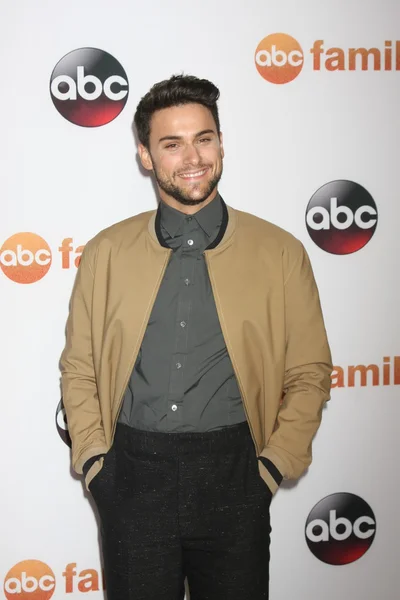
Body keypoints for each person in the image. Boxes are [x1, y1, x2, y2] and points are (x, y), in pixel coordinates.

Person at [60, 74, 332, 600]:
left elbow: (309, 373)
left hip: (236, 475)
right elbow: (80, 370)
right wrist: (96, 464)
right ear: (145, 156)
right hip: (132, 477)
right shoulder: (105, 253)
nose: (193, 157)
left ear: (221, 143)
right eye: (171, 143)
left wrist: (271, 469)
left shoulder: (280, 253)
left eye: (204, 138)